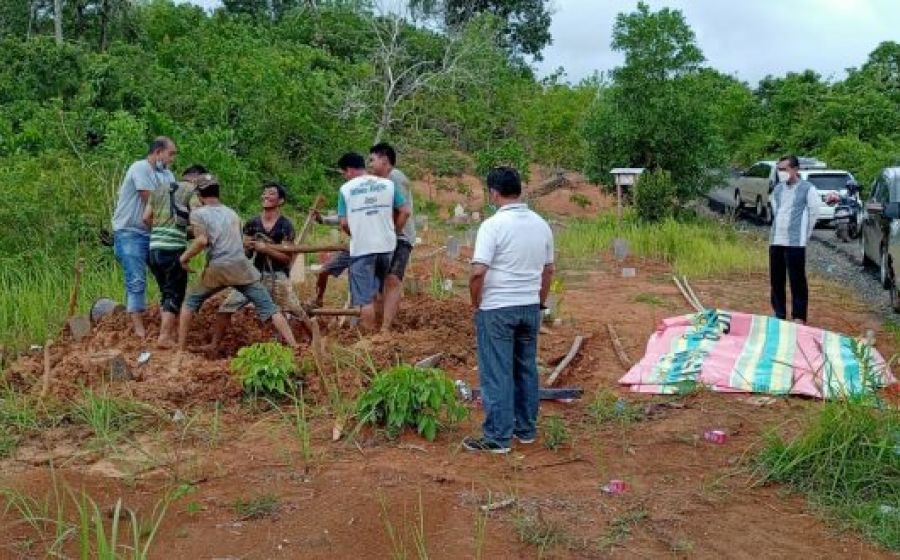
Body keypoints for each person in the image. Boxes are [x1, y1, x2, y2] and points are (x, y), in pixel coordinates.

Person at [463, 167, 554, 454]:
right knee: (526, 368)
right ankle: (525, 429)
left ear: (493, 192)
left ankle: (497, 437)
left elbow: (478, 272)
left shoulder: (492, 226)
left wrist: (476, 303)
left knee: (497, 372)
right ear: (520, 190)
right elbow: (548, 270)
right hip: (529, 306)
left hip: (498, 308)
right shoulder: (541, 224)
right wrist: (539, 301)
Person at [176, 175, 298, 350]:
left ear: (199, 194)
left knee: (190, 302)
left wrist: (184, 258)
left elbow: (201, 241)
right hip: (242, 268)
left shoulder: (198, 214)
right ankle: (295, 346)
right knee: (270, 308)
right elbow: (241, 246)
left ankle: (180, 349)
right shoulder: (232, 213)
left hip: (218, 267)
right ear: (218, 192)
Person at [111, 137, 177, 338]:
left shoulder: (168, 175)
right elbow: (150, 198)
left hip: (155, 233)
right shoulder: (140, 168)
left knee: (166, 277)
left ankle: (166, 325)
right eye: (170, 154)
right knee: (137, 279)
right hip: (130, 232)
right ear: (158, 152)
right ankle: (139, 330)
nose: (172, 159)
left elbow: (175, 200)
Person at [336, 152, 411, 331]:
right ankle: (383, 329)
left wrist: (354, 234)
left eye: (344, 173)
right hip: (386, 247)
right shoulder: (387, 185)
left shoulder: (346, 190)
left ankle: (370, 340)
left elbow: (344, 222)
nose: (345, 177)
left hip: (362, 249)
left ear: (349, 170)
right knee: (381, 288)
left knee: (365, 299)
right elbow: (405, 211)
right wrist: (395, 231)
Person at [142, 164, 207, 348]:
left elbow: (146, 218)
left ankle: (168, 333)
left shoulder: (159, 190)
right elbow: (197, 218)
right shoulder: (190, 191)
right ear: (196, 179)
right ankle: (164, 337)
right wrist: (196, 233)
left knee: (166, 292)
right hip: (173, 250)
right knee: (175, 293)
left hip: (154, 249)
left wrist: (162, 230)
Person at [368, 142, 415, 333]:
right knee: (378, 284)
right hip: (383, 238)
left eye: (372, 160)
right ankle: (378, 325)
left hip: (400, 237)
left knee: (393, 279)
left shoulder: (395, 178)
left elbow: (404, 212)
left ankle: (385, 328)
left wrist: (393, 234)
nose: (370, 164)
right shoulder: (377, 183)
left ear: (385, 160)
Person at [769, 154, 821, 325]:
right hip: (777, 239)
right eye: (779, 169)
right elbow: (776, 211)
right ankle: (779, 313)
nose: (781, 172)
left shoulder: (808, 189)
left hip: (796, 242)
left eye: (785, 168)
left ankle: (799, 316)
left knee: (797, 280)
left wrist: (804, 235)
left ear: (795, 169)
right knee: (776, 279)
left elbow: (814, 212)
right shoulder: (777, 189)